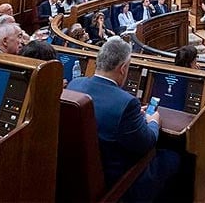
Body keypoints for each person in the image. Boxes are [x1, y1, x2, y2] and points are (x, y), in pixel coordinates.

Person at [66, 38, 180, 200]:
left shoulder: (75, 85)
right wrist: (154, 121)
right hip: (118, 182)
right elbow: (147, 143)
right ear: (123, 68)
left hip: (78, 178)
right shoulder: (126, 103)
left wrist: (135, 118)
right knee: (173, 158)